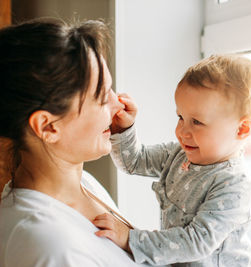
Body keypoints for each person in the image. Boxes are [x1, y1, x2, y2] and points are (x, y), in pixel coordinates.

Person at [93, 55, 251, 266]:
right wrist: (124, 129)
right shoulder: (179, 154)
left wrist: (130, 239)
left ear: (242, 129)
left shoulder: (234, 184)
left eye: (197, 122)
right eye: (180, 117)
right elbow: (135, 161)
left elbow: (196, 243)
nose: (182, 131)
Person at [0, 18, 144, 266]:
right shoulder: (49, 247)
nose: (118, 104)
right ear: (48, 126)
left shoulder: (84, 184)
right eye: (101, 96)